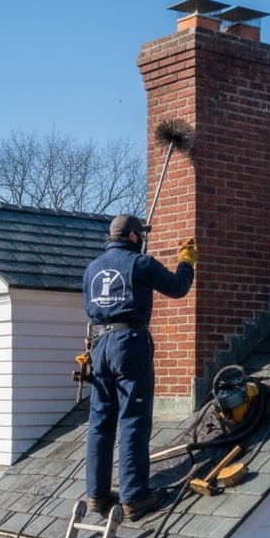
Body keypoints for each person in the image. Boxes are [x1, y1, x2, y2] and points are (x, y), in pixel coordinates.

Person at [82, 213, 197, 522]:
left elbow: (91, 310)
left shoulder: (91, 269)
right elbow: (177, 287)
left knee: (100, 421)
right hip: (128, 343)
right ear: (133, 237)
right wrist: (186, 261)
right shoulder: (140, 263)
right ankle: (134, 497)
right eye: (140, 235)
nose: (142, 239)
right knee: (133, 418)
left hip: (99, 345)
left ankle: (96, 495)